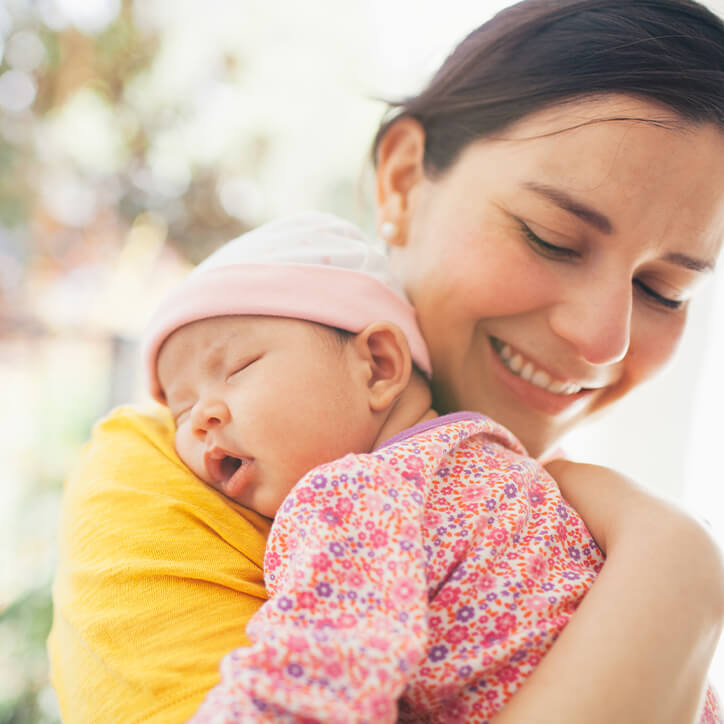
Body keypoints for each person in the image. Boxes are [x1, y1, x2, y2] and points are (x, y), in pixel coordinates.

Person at [48, 1, 724, 722]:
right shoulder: (163, 477)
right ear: (402, 180)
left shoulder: (555, 513)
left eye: (663, 289)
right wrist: (672, 577)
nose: (603, 339)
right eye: (551, 237)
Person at [139, 211, 718, 723]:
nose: (201, 420)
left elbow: (317, 680)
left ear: (378, 365)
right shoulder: (503, 461)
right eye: (182, 408)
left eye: (237, 368)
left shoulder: (350, 494)